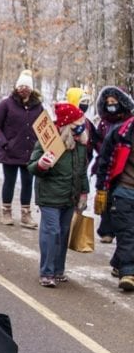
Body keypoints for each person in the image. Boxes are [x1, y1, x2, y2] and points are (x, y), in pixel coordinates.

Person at [28, 102, 89, 287]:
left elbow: (81, 171)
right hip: (49, 197)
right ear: (68, 125)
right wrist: (42, 164)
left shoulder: (80, 145)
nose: (81, 127)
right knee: (52, 232)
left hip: (70, 197)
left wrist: (84, 192)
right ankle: (46, 272)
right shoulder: (49, 142)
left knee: (63, 233)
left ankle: (58, 270)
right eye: (77, 123)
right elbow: (32, 167)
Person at [0, 69, 43, 228]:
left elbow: (44, 127)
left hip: (29, 152)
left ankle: (26, 214)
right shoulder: (6, 104)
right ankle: (6, 211)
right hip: (10, 151)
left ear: (31, 89)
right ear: (16, 87)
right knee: (10, 181)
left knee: (27, 182)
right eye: (20, 86)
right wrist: (4, 142)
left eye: (26, 86)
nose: (23, 89)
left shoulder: (38, 107)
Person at [94, 102, 134, 291]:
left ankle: (119, 262)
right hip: (123, 191)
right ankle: (128, 273)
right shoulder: (120, 134)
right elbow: (105, 162)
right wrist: (101, 190)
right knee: (127, 234)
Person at [90, 86, 134, 244]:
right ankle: (107, 230)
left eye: (114, 102)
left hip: (122, 166)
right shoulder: (104, 122)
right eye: (108, 103)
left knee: (118, 201)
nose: (111, 105)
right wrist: (102, 149)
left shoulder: (128, 122)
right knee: (105, 197)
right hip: (105, 161)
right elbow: (97, 139)